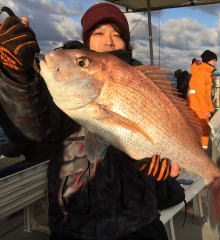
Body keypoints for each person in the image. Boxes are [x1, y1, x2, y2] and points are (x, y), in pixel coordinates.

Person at [0, 3, 180, 239]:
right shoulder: (64, 84)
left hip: (140, 219)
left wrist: (159, 171)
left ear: (126, 43)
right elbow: (35, 131)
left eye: (118, 35)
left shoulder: (144, 82)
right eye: (99, 33)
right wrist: (19, 76)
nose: (109, 41)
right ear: (86, 41)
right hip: (75, 224)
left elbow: (163, 134)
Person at [187, 50, 217, 149]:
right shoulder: (201, 72)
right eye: (213, 60)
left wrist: (210, 108)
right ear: (207, 61)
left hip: (197, 106)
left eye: (215, 60)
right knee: (203, 129)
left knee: (201, 129)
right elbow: (200, 94)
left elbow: (205, 94)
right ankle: (202, 151)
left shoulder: (205, 72)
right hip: (198, 107)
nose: (215, 62)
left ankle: (202, 149)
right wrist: (206, 110)